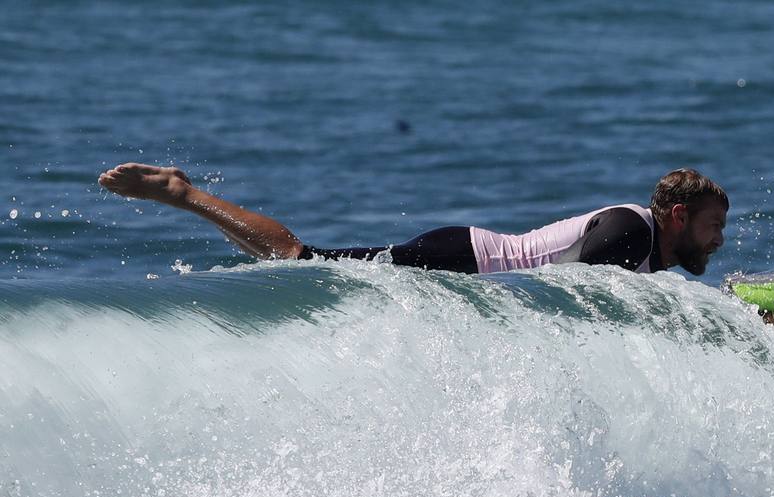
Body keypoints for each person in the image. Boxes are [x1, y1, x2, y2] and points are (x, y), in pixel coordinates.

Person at [97, 163, 727, 276]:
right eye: (713, 225)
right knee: (298, 260)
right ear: (678, 216)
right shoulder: (630, 233)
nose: (720, 239)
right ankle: (183, 194)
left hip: (469, 268)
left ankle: (187, 198)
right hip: (462, 262)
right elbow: (577, 299)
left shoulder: (647, 247)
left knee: (298, 265)